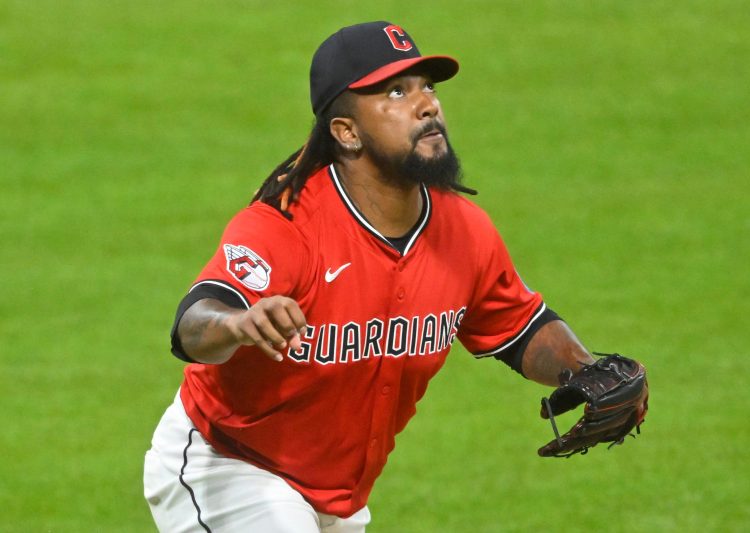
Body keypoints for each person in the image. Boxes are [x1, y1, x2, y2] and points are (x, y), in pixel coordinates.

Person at [143, 21, 596, 532]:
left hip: (337, 497)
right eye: (396, 92)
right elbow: (193, 324)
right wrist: (237, 323)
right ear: (347, 132)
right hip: (226, 464)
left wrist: (587, 371)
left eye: (428, 86)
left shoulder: (465, 231)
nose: (427, 105)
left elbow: (521, 328)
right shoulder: (287, 224)